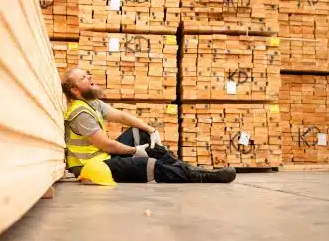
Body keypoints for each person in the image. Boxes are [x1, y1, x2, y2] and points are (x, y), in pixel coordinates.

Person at [61, 67, 236, 184]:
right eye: (84, 78)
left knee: (140, 132)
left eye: (87, 74)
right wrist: (134, 151)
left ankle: (185, 168)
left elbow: (121, 116)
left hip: (102, 157)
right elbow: (107, 144)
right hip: (91, 166)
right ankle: (201, 177)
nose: (90, 77)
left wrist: (151, 130)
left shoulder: (93, 103)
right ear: (75, 91)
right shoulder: (80, 113)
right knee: (148, 163)